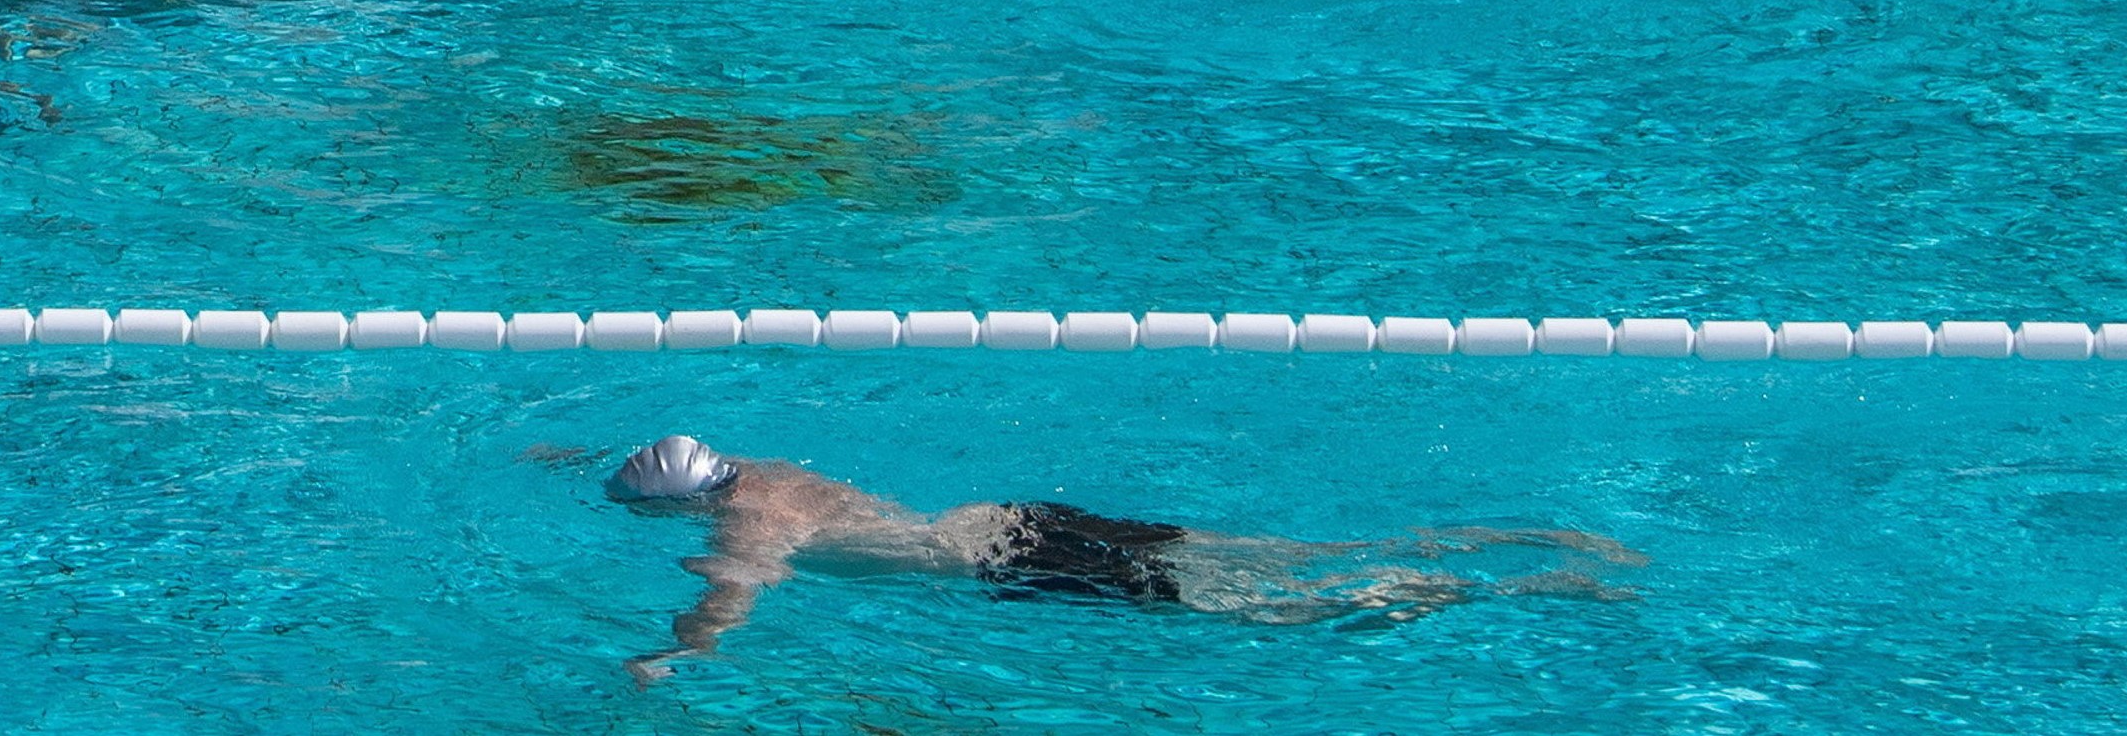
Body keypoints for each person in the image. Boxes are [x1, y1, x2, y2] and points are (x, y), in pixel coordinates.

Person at [592, 438, 1615, 676]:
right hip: (1007, 518)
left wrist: (679, 652)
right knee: (1290, 553)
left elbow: (730, 593)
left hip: (1002, 566)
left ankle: (1484, 589)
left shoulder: (747, 528)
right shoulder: (764, 476)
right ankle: (1501, 540)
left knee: (1263, 607)